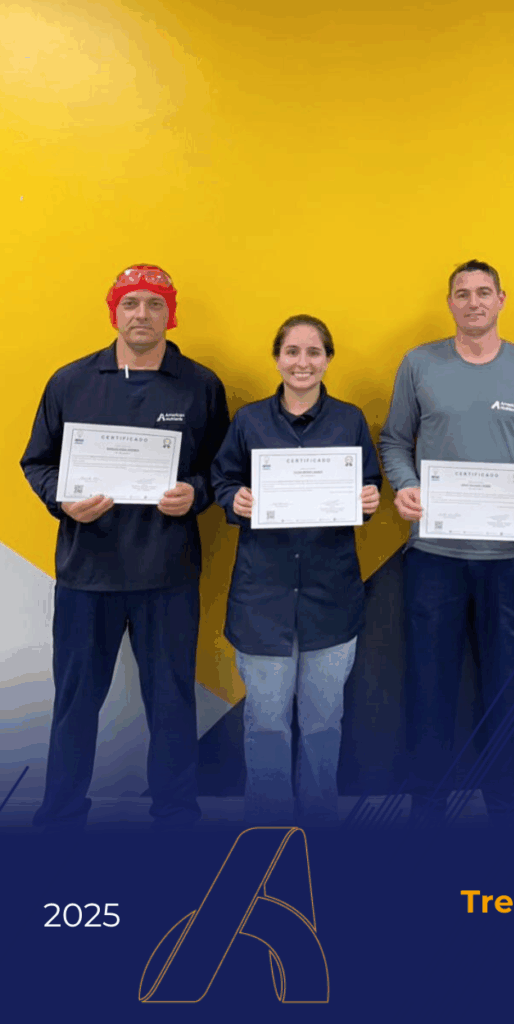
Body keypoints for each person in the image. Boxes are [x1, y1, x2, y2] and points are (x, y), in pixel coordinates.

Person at [21, 264, 230, 830]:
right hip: (87, 573)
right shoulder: (70, 381)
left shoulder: (200, 385)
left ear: (170, 314)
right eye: (131, 303)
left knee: (172, 702)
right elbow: (37, 462)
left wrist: (197, 493)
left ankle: (176, 815)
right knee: (75, 702)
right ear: (114, 311)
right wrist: (62, 499)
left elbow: (221, 469)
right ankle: (61, 815)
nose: (142, 314)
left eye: (155, 304)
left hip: (167, 574)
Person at [379, 259, 514, 824]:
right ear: (450, 303)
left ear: (501, 300)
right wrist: (405, 484)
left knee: (509, 690)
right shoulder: (419, 364)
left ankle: (507, 810)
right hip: (433, 558)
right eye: (462, 294)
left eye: (484, 292)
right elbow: (394, 441)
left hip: (509, 559)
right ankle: (427, 808)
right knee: (428, 688)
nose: (474, 302)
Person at [211, 314, 381, 827]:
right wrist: (234, 497)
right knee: (266, 724)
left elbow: (369, 485)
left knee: (324, 724)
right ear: (277, 357)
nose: (302, 362)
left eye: (313, 352)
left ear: (328, 359)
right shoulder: (249, 421)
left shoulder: (349, 420)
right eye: (292, 351)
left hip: (331, 597)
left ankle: (318, 826)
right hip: (262, 598)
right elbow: (223, 480)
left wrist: (369, 499)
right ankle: (268, 830)